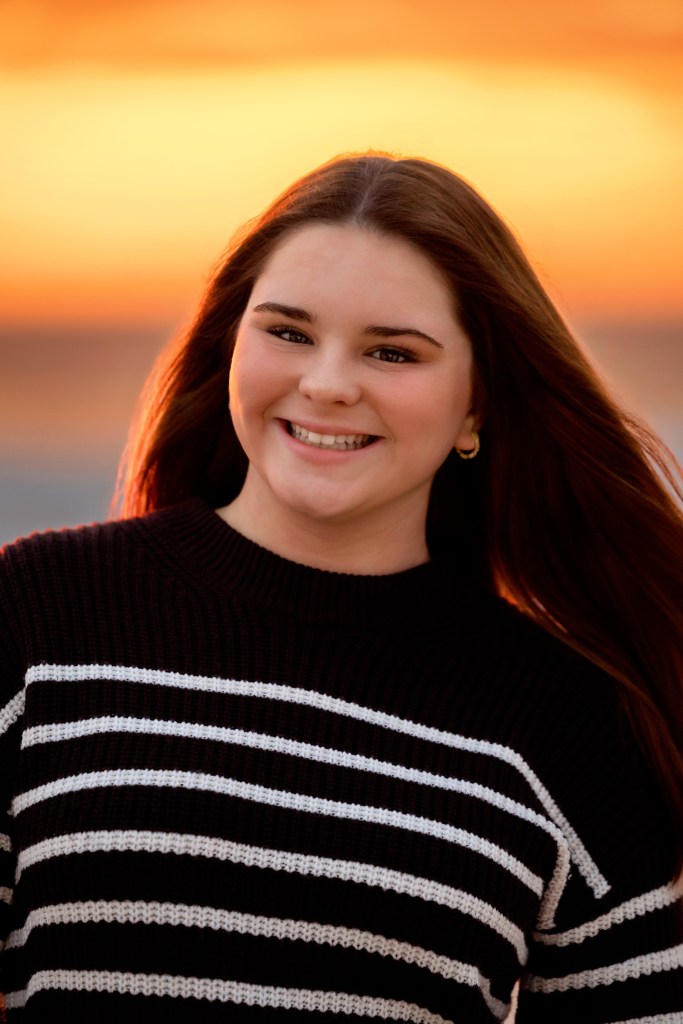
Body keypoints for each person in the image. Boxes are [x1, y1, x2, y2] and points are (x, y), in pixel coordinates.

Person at [0, 153, 681, 1023]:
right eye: (287, 332)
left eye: (392, 351)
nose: (325, 384)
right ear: (230, 344)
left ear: (478, 404)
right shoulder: (38, 616)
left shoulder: (567, 724)